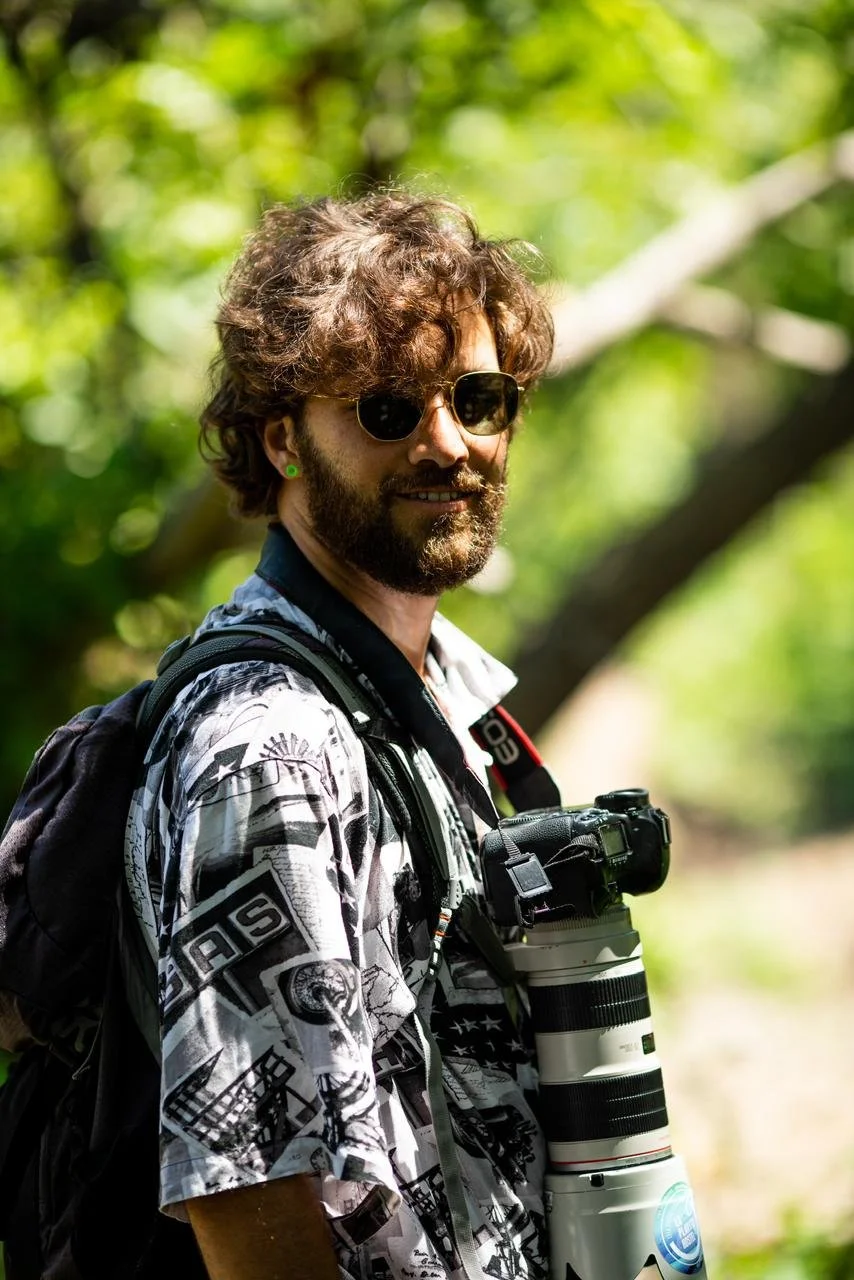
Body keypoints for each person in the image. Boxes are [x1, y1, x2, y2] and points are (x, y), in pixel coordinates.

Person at [124, 191, 555, 1280]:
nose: (447, 440)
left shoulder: (429, 699)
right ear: (283, 440)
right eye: (385, 408)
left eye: (479, 396)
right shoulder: (269, 745)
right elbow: (249, 1190)